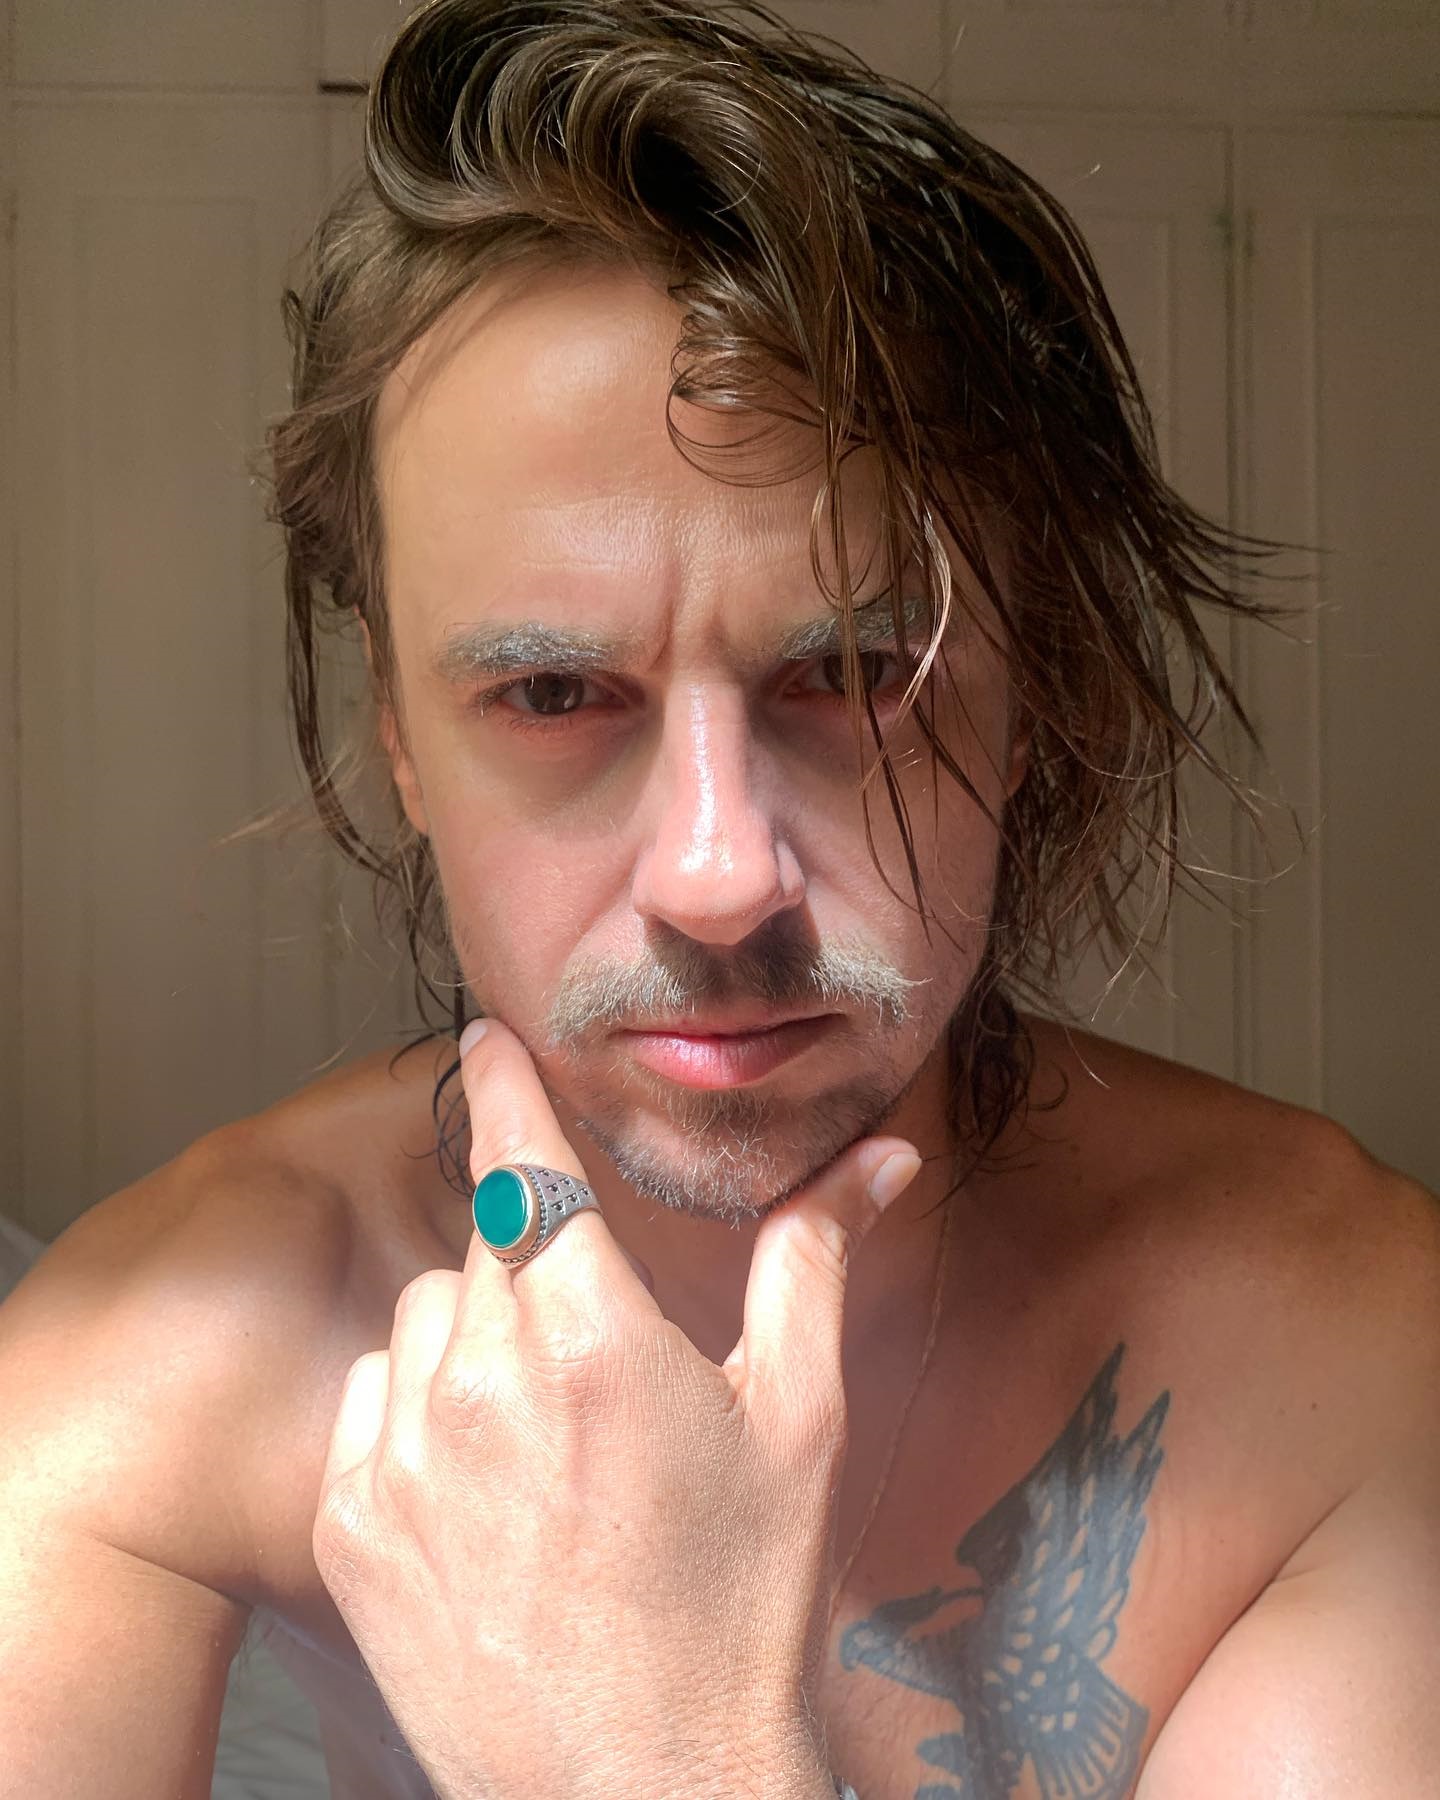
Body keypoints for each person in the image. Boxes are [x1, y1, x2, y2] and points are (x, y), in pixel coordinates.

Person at [2, 1, 1436, 1795]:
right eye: (551, 692)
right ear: (400, 735)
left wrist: (659, 1752)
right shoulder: (129, 1376)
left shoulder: (1343, 1349)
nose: (717, 875)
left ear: (1034, 697)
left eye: (854, 675)